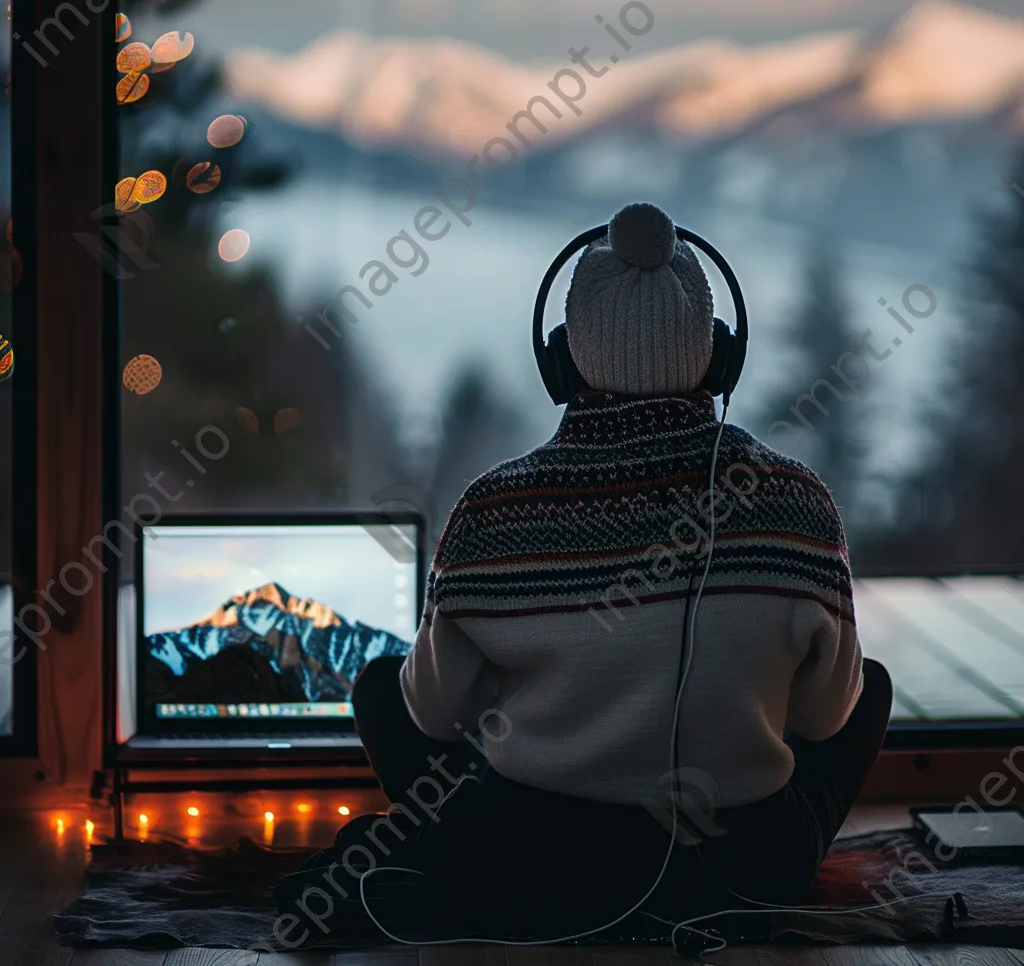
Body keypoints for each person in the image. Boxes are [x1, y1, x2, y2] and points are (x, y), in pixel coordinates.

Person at [279, 202, 892, 945]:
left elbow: (431, 713)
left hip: (529, 869)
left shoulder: (491, 511)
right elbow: (826, 720)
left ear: (562, 361)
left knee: (381, 689)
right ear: (718, 355)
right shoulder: (799, 504)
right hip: (747, 869)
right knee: (873, 687)